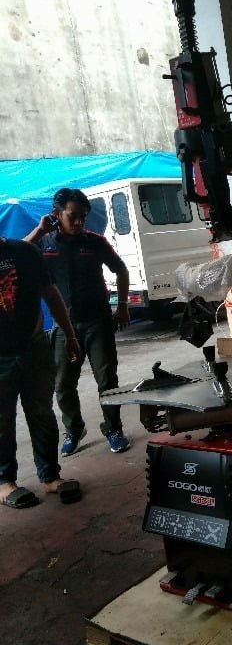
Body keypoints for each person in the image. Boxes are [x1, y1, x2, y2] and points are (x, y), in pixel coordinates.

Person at [25, 188, 131, 456]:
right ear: (57, 214)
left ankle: (113, 429)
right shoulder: (44, 244)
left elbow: (120, 269)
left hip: (98, 323)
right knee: (63, 385)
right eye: (73, 216)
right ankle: (74, 429)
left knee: (107, 381)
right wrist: (39, 230)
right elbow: (17, 254)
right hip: (64, 327)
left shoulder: (95, 242)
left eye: (83, 217)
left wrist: (122, 306)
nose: (79, 222)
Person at [0, 236, 82, 508]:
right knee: (2, 421)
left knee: (42, 414)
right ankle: (5, 482)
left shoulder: (25, 252)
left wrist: (69, 335)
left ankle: (50, 476)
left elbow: (51, 294)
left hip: (34, 348)